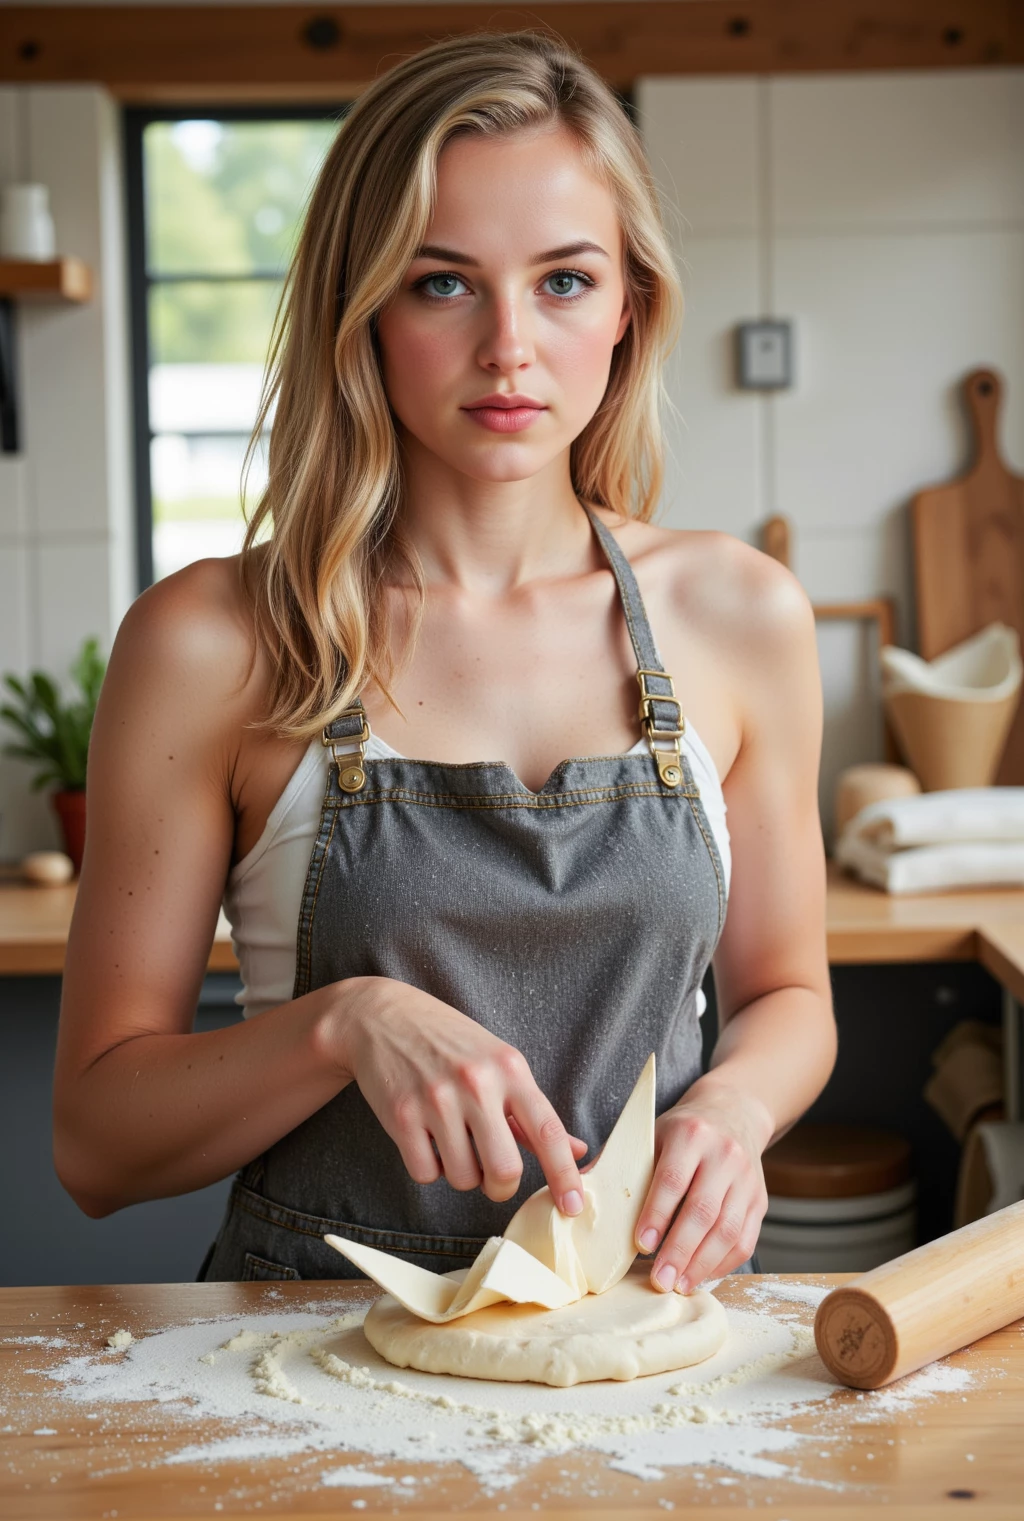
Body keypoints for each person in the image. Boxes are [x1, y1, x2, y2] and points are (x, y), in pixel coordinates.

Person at [54, 31, 836, 1294]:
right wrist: (340, 1023)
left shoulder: (740, 613)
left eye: (565, 281)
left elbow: (787, 992)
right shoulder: (212, 643)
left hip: (645, 1351)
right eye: (443, 283)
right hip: (300, 1358)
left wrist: (737, 1109)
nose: (510, 347)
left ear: (630, 301)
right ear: (359, 303)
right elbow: (95, 1145)